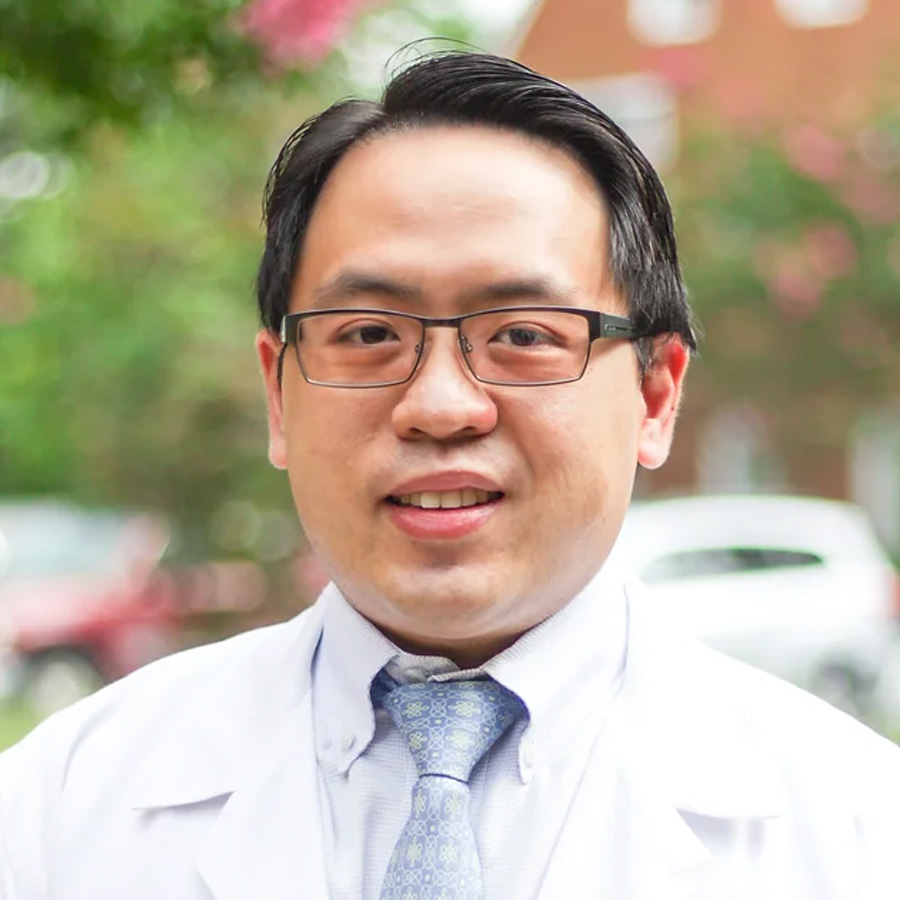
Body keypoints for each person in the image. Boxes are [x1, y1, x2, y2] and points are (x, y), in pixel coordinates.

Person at [1, 50, 899, 900]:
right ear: (279, 393)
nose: (439, 406)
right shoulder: (58, 811)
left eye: (524, 335)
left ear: (656, 394)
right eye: (367, 334)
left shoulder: (861, 832)